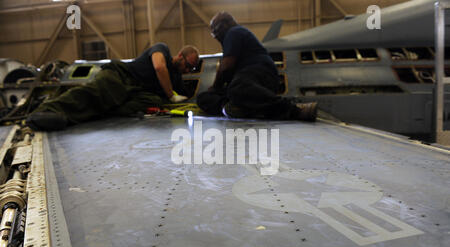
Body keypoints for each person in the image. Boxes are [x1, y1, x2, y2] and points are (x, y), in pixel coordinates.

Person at [26, 43, 200, 131]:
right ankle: (44, 111)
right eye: (187, 65)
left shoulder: (176, 78)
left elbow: (187, 98)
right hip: (121, 75)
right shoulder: (162, 49)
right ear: (180, 55)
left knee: (116, 105)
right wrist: (170, 95)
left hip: (133, 93)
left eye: (191, 69)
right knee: (95, 93)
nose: (187, 70)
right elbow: (159, 67)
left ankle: (64, 118)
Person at [197, 12, 317, 121]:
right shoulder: (233, 36)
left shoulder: (234, 32)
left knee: (237, 88)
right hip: (250, 82)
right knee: (203, 98)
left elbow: (226, 67)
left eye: (215, 31)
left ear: (225, 25)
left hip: (260, 74)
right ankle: (233, 107)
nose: (215, 36)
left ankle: (295, 111)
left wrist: (215, 88)